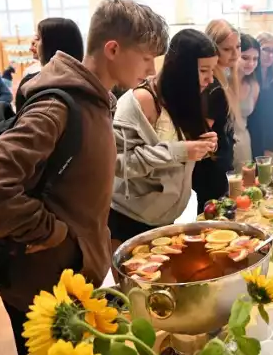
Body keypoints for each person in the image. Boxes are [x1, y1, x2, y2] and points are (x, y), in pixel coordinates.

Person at [0, 0, 168, 355]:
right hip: (44, 296)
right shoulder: (58, 107)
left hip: (70, 284)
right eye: (146, 57)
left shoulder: (96, 101)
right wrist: (53, 233)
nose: (151, 70)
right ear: (112, 49)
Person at [110, 29, 218, 244]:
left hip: (166, 219)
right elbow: (119, 163)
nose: (210, 78)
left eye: (212, 70)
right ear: (181, 69)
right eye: (203, 70)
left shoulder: (184, 97)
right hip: (129, 219)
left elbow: (178, 153)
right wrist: (181, 151)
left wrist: (203, 147)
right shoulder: (141, 99)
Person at [192, 20, 240, 211]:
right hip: (211, 170)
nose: (235, 54)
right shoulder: (214, 89)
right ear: (213, 49)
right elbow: (201, 132)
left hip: (218, 166)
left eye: (237, 47)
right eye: (227, 49)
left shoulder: (223, 82)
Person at [15, 17, 84, 111]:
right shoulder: (88, 83)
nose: (34, 45)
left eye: (38, 39)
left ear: (52, 45)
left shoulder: (30, 84)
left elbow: (20, 121)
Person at [248, 32, 273, 159]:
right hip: (248, 140)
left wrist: (269, 146)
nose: (271, 55)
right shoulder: (248, 77)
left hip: (269, 144)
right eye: (266, 50)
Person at [234, 33, 261, 170]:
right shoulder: (221, 83)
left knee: (243, 186)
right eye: (245, 58)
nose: (251, 64)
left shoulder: (254, 86)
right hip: (221, 144)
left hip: (243, 142)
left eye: (255, 59)